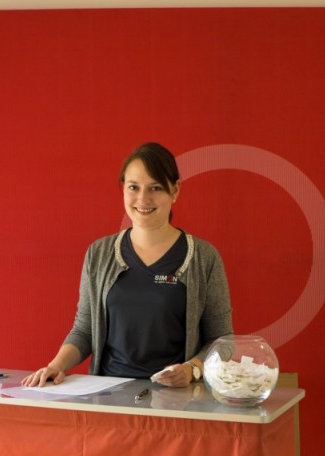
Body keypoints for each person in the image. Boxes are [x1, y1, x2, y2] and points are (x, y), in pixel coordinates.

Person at [22, 142, 233, 388]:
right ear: (123, 188)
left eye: (155, 188)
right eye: (134, 187)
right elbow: (85, 330)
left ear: (175, 191)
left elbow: (222, 341)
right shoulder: (98, 254)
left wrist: (192, 369)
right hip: (107, 394)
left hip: (177, 398)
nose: (143, 198)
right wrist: (56, 366)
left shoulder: (204, 257)